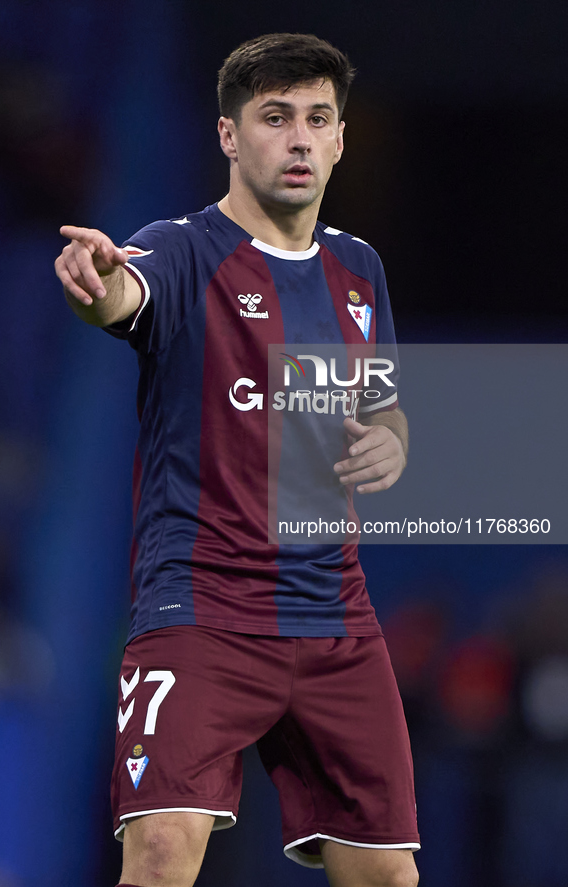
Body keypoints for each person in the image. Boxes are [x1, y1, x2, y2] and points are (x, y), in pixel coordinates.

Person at [55, 33, 419, 887]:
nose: (297, 139)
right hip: (202, 609)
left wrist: (391, 443)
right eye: (274, 118)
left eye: (316, 119)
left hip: (333, 617)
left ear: (338, 139)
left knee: (388, 876)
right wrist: (97, 278)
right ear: (228, 135)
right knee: (159, 853)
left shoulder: (357, 269)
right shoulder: (182, 250)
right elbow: (123, 293)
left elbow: (384, 405)